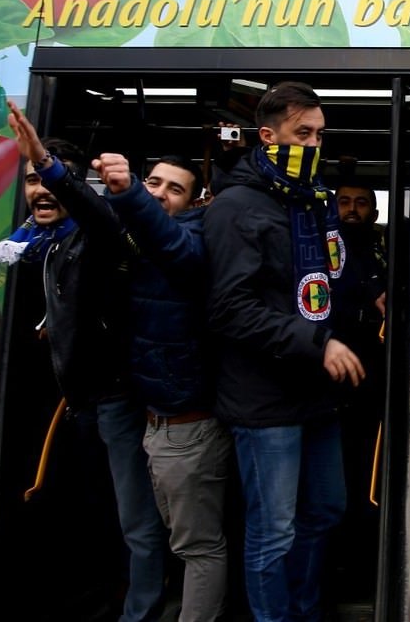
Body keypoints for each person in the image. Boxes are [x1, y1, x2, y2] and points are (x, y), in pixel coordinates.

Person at [203, 80, 365, 622]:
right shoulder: (235, 207)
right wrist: (318, 342)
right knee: (273, 531)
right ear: (268, 137)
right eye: (303, 134)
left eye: (319, 134)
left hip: (316, 396)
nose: (314, 144)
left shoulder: (314, 202)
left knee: (326, 509)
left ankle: (304, 611)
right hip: (264, 399)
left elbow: (321, 284)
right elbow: (230, 309)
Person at [4, 101, 170, 621]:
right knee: (92, 512)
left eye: (52, 180)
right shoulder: (37, 245)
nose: (41, 190)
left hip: (116, 398)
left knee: (135, 519)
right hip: (78, 403)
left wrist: (48, 164)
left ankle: (140, 613)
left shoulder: (97, 233)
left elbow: (96, 213)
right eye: (32, 180)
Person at [97, 152, 233, 622]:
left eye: (174, 189)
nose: (158, 194)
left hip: (186, 426)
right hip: (153, 421)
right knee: (172, 537)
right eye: (152, 183)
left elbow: (169, 243)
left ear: (195, 204)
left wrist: (128, 192)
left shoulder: (191, 244)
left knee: (199, 547)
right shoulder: (132, 242)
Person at [327, 157, 388, 602]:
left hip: (377, 379)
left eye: (361, 203)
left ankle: (368, 571)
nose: (352, 210)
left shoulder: (388, 251)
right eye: (344, 202)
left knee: (371, 477)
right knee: (336, 482)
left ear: (375, 210)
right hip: (332, 381)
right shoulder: (324, 251)